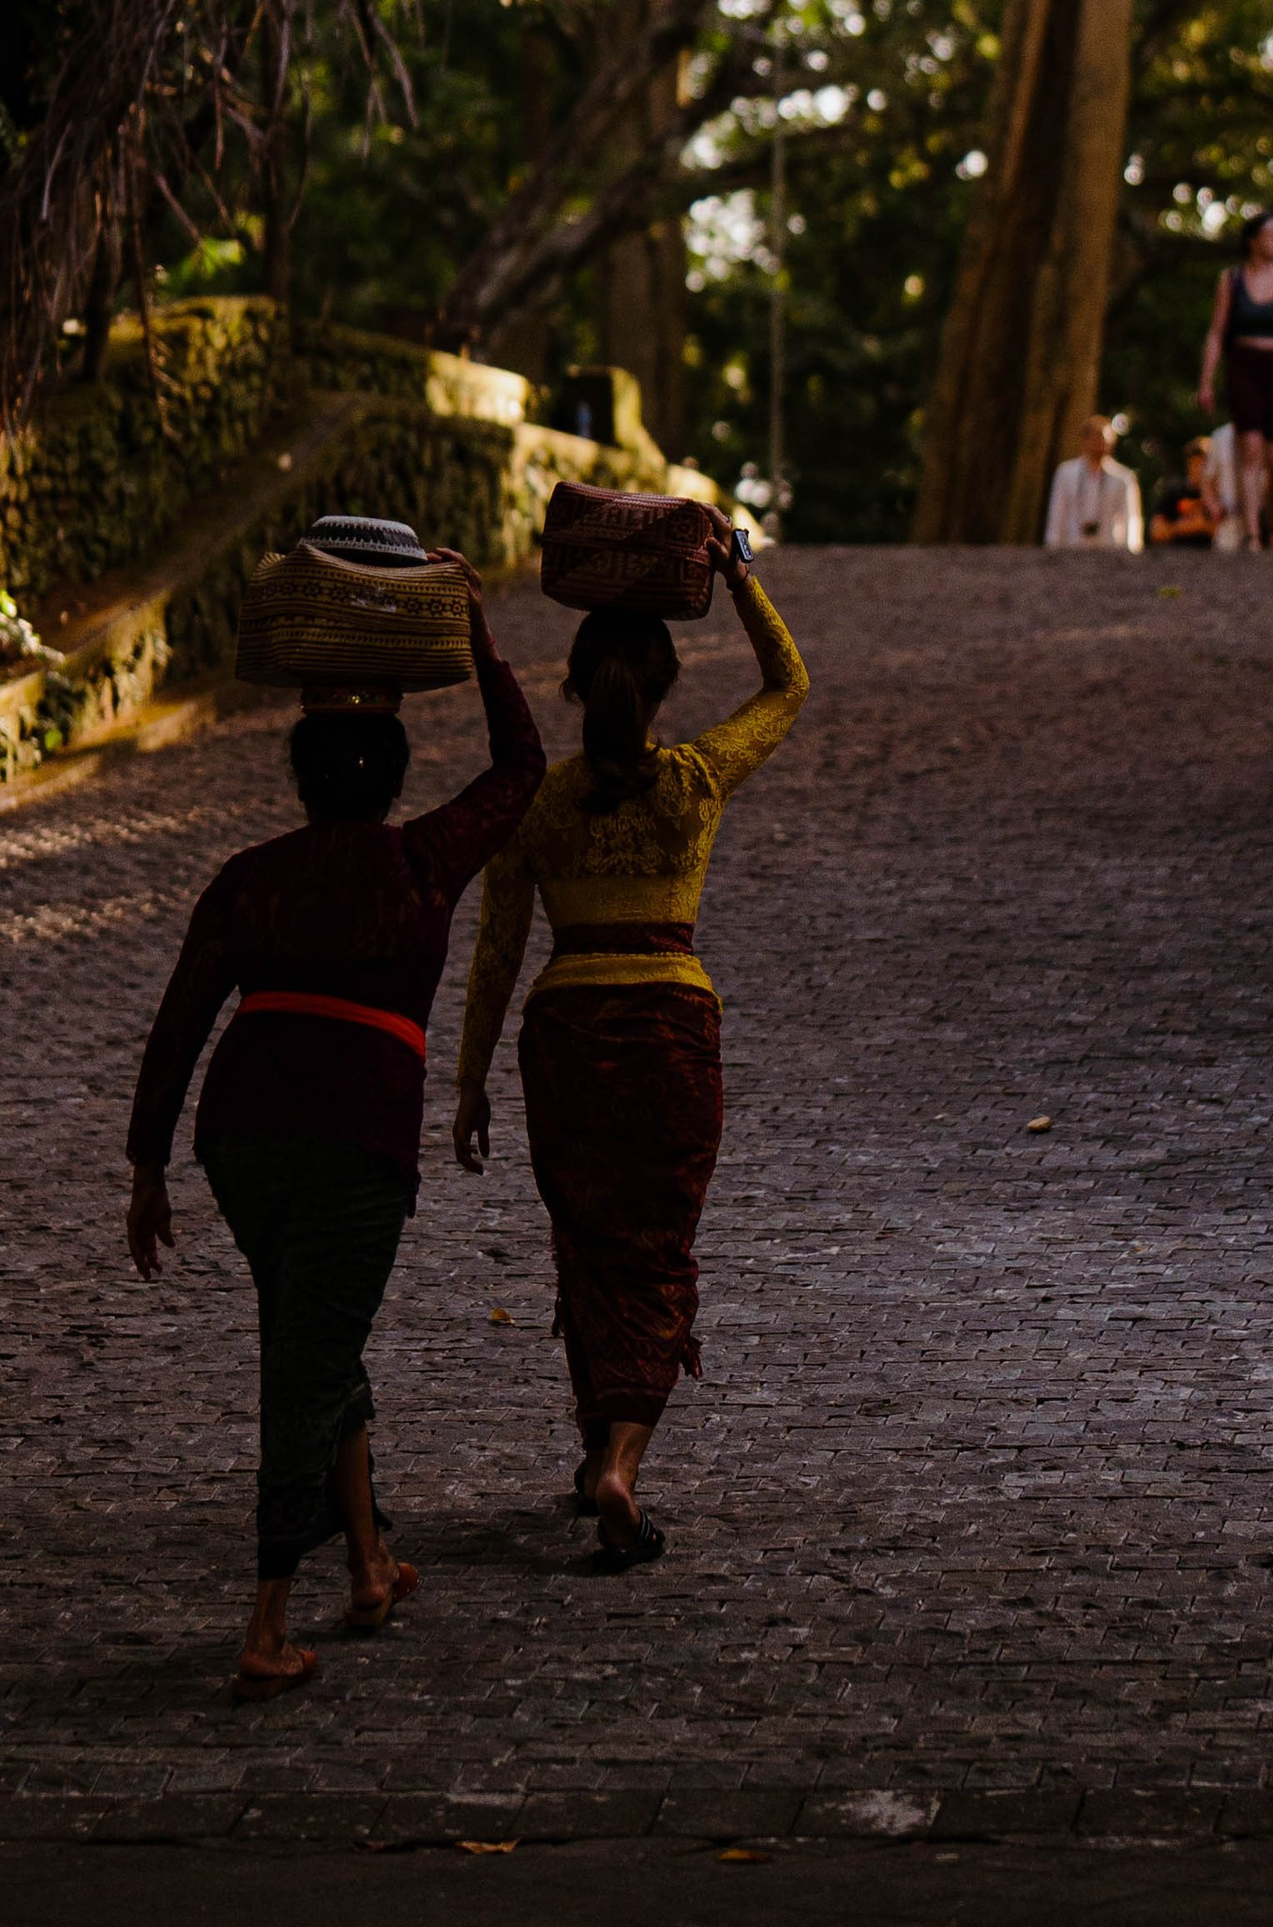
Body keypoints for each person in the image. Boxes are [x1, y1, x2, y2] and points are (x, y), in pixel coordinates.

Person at [124, 551, 543, 1694]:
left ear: (301, 774)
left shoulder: (247, 877)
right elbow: (521, 768)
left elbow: (180, 1020)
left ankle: (369, 1563)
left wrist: (146, 1163)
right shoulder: (424, 861)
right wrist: (479, 638)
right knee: (305, 1364)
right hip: (357, 1143)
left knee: (316, 1336)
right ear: (394, 775)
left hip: (241, 1142)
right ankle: (266, 1621)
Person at [453, 513, 808, 1568]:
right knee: (658, 1250)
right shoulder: (692, 783)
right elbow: (787, 688)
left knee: (589, 1245)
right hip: (670, 1030)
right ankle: (620, 1463)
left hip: (564, 1032)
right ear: (658, 693)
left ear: (575, 688)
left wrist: (468, 1082)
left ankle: (594, 1447)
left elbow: (495, 953)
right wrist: (739, 579)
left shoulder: (541, 805)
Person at [1197, 212, 1273, 549]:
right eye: (1270, 234)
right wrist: (1206, 380)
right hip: (1244, 365)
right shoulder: (1232, 280)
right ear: (1253, 241)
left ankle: (1267, 516)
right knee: (1250, 451)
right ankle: (1252, 534)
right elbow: (1216, 332)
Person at [1042, 414, 1144, 551]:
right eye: (1095, 439)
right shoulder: (1066, 473)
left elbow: (1130, 517)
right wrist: (1052, 546)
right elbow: (1057, 512)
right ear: (1084, 441)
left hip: (1109, 549)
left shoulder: (1123, 477)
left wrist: (1132, 550)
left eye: (1104, 440)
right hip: (1073, 546)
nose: (1100, 445)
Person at [1147, 436, 1217, 549]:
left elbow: (1226, 531)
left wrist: (1204, 527)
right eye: (1194, 463)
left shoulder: (1219, 496)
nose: (1198, 469)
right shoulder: (1174, 495)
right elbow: (1156, 532)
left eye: (1203, 464)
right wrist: (1186, 527)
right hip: (1177, 560)